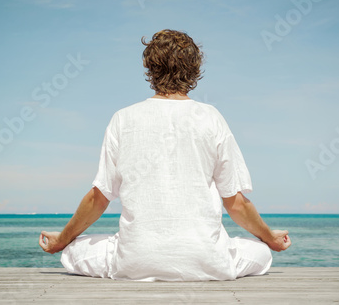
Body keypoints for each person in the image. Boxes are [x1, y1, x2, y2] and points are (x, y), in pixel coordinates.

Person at [39, 29, 291, 281]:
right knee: (262, 252)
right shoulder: (212, 118)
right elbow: (234, 203)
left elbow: (99, 198)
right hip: (207, 262)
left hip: (134, 263)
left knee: (73, 250)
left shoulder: (122, 118)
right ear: (194, 68)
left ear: (150, 67)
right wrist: (270, 238)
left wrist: (62, 240)